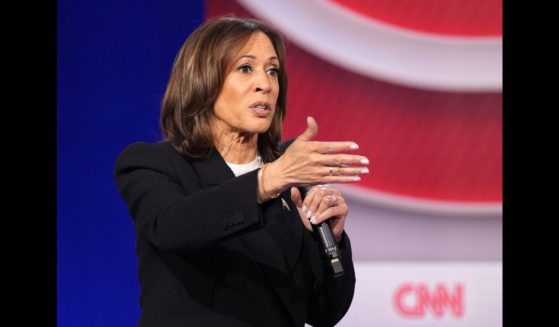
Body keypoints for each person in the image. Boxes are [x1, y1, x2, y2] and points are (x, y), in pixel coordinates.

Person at [114, 16, 370, 327]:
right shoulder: (153, 163)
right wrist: (267, 181)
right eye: (245, 68)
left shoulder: (290, 183)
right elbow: (172, 226)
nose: (265, 84)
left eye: (272, 70)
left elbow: (323, 312)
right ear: (204, 80)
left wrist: (331, 240)